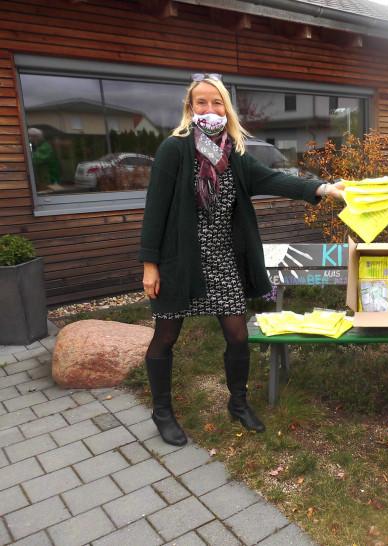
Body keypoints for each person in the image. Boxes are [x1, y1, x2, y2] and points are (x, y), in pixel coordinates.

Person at [138, 73, 342, 446]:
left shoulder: (236, 153)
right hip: (178, 262)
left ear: (226, 109)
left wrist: (323, 188)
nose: (209, 109)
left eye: (217, 103)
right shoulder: (174, 149)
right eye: (202, 102)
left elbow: (274, 179)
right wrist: (149, 265)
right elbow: (155, 209)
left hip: (221, 261)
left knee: (237, 335)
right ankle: (162, 412)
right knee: (166, 336)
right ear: (190, 107)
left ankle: (238, 402)